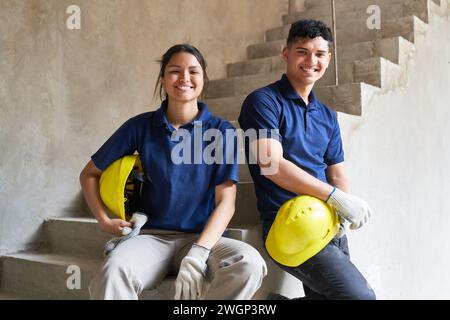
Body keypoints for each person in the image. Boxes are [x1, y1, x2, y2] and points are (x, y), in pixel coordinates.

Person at [80, 44, 267, 300]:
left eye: (193, 71)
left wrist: (200, 251)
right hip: (151, 238)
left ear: (203, 79)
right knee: (112, 273)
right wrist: (104, 220)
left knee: (249, 263)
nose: (185, 78)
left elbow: (226, 203)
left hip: (203, 239)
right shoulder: (140, 126)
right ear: (163, 79)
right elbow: (89, 174)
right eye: (175, 71)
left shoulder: (221, 131)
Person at [238, 19, 376, 300]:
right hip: (288, 224)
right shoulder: (262, 101)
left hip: (327, 222)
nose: (311, 60)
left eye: (320, 54)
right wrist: (335, 197)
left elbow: (336, 173)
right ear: (286, 53)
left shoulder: (327, 115)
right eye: (302, 51)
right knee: (360, 298)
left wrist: (342, 211)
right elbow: (272, 166)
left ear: (329, 58)